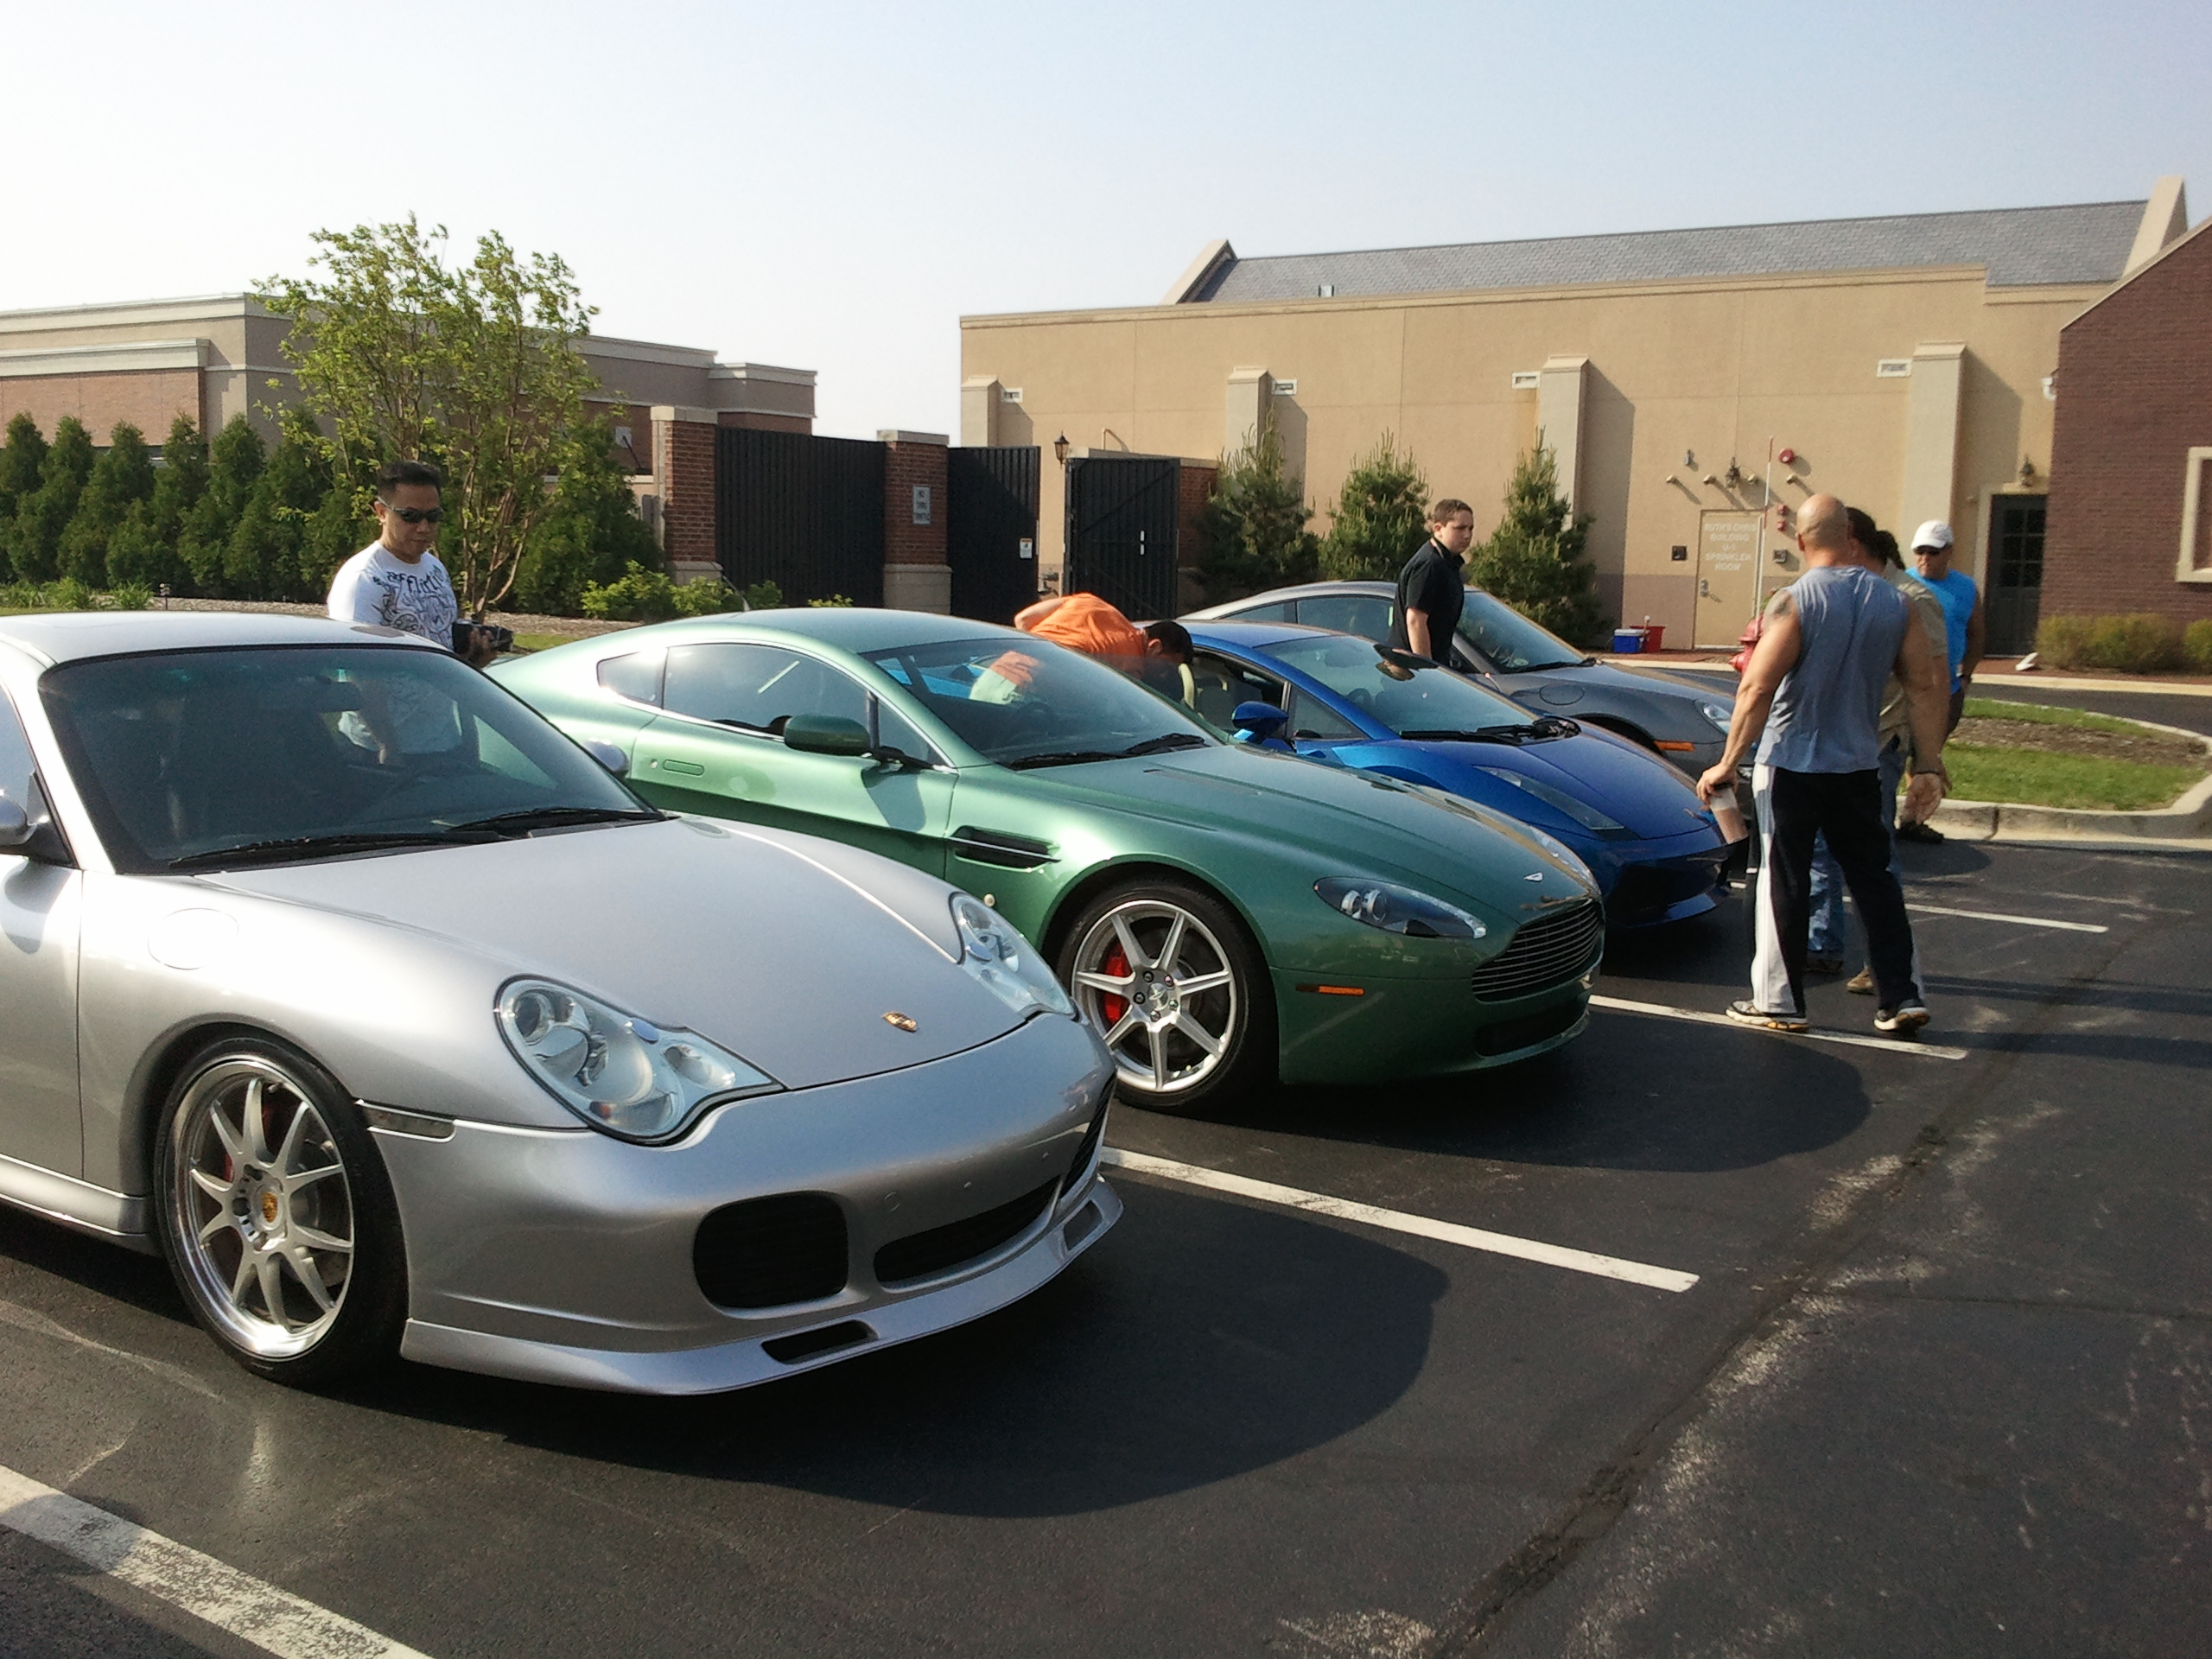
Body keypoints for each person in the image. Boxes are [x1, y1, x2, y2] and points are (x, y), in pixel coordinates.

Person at [1697, 494, 1951, 1035]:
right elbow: (1925, 685)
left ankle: (1778, 1003)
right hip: (1859, 764)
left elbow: (1757, 687)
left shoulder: (1793, 600)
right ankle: (1901, 997)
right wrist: (1928, 764)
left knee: (1783, 880)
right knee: (1876, 880)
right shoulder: (1896, 602)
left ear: (1800, 541)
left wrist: (1727, 763)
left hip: (1791, 764)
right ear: (1851, 539)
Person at [1803, 514, 1949, 986]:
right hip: (1832, 742)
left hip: (1879, 744)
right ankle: (1822, 944)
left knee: (1873, 857)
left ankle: (1884, 964)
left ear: (1853, 544)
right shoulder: (1848, 592)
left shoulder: (1910, 599)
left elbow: (1930, 685)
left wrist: (1928, 761)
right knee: (1822, 849)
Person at [327, 460, 498, 667]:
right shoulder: (363, 578)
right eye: (410, 516)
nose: (424, 527)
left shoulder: (435, 568)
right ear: (381, 512)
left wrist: (472, 660)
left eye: (433, 516)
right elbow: (355, 665)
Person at [1895, 519, 1983, 842]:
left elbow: (1977, 634)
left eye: (1933, 552)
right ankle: (1885, 817)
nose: (1925, 558)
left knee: (1928, 755)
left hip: (1947, 689)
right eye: (1920, 551)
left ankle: (1912, 820)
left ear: (1949, 552)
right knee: (1896, 753)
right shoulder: (1903, 585)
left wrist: (1966, 675)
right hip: (1905, 688)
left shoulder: (1966, 589)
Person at [985, 592, 1194, 702]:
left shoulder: (1090, 602)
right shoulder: (1131, 666)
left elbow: (1022, 619)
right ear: (1155, 647)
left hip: (993, 676)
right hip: (1022, 694)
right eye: (1167, 667)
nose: (1164, 675)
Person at [1387, 499, 1477, 663]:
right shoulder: (1428, 564)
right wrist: (1428, 670)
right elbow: (1415, 620)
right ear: (1438, 529)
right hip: (1410, 669)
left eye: (1470, 528)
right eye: (1460, 528)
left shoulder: (1448, 564)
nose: (1467, 535)